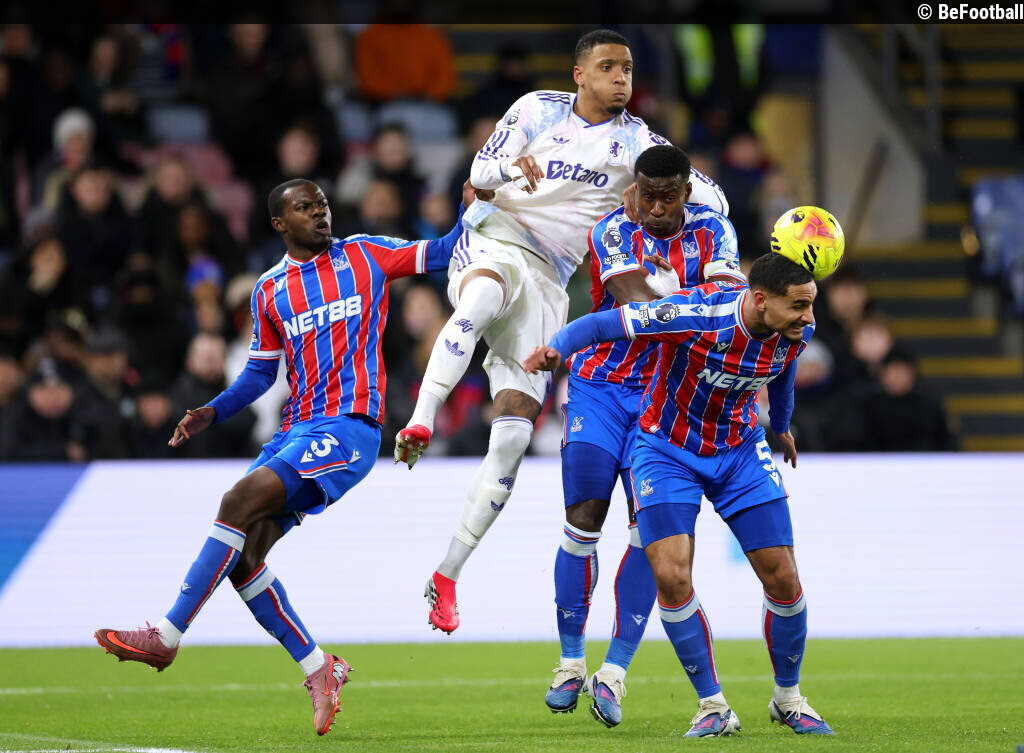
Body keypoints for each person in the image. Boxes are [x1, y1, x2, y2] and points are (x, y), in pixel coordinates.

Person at [95, 178, 470, 736]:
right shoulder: (269, 289)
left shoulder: (366, 255)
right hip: (295, 431)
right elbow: (260, 373)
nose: (319, 213)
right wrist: (212, 411)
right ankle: (320, 667)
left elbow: (442, 252)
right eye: (305, 207)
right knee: (244, 556)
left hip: (350, 427)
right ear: (279, 223)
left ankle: (166, 637)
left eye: (322, 204)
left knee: (236, 501)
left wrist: (469, 205)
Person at [392, 28, 728, 635]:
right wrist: (504, 170)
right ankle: (421, 417)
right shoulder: (536, 109)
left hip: (550, 277)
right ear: (580, 74)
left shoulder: (638, 144)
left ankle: (447, 575)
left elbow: (715, 199)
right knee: (485, 294)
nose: (621, 78)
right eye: (608, 67)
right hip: (495, 237)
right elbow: (480, 169)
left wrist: (668, 208)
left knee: (514, 435)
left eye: (627, 68)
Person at [524, 252, 834, 737]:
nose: (808, 317)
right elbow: (605, 324)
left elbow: (784, 369)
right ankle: (713, 706)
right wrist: (555, 348)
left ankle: (789, 698)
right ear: (760, 300)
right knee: (670, 575)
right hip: (667, 452)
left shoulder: (795, 332)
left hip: (739, 451)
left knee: (783, 577)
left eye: (810, 304)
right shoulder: (695, 313)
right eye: (798, 305)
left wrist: (782, 424)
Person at [546, 144, 744, 725]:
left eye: (667, 197)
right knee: (583, 517)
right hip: (600, 388)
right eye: (647, 195)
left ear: (686, 192)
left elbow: (730, 299)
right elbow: (633, 302)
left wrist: (698, 299)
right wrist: (692, 298)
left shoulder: (715, 232)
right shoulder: (612, 230)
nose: (655, 207)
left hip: (667, 398)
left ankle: (614, 673)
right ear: (633, 188)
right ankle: (569, 662)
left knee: (647, 536)